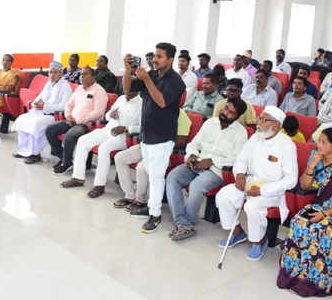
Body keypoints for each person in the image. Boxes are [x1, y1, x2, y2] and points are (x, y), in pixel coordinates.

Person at [277, 127, 332, 297]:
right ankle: (294, 273)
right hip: (321, 205)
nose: (319, 145)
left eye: (324, 142)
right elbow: (304, 185)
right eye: (319, 141)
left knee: (320, 229)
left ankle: (317, 281)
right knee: (299, 220)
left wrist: (325, 214)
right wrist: (311, 166)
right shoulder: (316, 158)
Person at [216, 107, 298, 261]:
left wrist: (262, 191)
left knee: (252, 206)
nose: (258, 123)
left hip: (272, 190)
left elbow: (291, 179)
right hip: (249, 182)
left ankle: (259, 242)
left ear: (276, 125)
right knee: (223, 196)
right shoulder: (256, 137)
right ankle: (237, 233)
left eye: (263, 120)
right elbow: (241, 159)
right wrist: (240, 175)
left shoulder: (287, 145)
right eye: (259, 118)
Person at [123, 43, 186, 233]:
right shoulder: (151, 74)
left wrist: (146, 80)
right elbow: (128, 89)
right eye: (155, 56)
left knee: (157, 177)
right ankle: (151, 206)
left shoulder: (176, 81)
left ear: (170, 60)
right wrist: (127, 71)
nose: (155, 59)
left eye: (160, 56)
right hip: (147, 133)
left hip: (163, 136)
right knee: (151, 174)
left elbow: (162, 102)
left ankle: (155, 215)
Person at [166, 98, 248, 241]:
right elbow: (194, 143)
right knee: (172, 178)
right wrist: (192, 155)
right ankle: (183, 223)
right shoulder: (210, 123)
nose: (225, 113)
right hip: (196, 163)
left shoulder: (241, 133)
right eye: (225, 108)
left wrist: (211, 161)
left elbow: (236, 159)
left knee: (196, 185)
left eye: (231, 112)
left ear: (237, 117)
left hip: (216, 171)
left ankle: (185, 223)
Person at [61, 90, 141, 197]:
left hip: (123, 137)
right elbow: (107, 116)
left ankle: (99, 185)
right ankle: (78, 178)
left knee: (104, 148)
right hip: (107, 130)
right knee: (83, 140)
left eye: (129, 87)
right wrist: (110, 114)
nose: (125, 89)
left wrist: (126, 128)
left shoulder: (141, 103)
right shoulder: (121, 98)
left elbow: (143, 127)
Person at [113, 110, 191, 212]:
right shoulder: (154, 112)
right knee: (120, 157)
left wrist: (158, 142)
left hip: (166, 152)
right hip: (146, 145)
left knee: (142, 167)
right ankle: (130, 195)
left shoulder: (180, 115)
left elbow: (182, 141)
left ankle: (141, 200)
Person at [45, 66, 107, 175]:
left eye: (85, 74)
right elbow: (69, 105)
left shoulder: (99, 91)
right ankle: (64, 159)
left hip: (87, 125)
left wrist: (77, 121)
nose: (82, 77)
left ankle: (66, 164)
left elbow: (98, 112)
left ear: (93, 76)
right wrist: (68, 115)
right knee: (49, 130)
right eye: (81, 74)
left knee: (69, 136)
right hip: (72, 121)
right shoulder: (79, 89)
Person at [11, 61, 72, 164]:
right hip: (40, 112)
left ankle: (35, 154)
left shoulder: (65, 87)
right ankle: (24, 151)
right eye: (50, 72)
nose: (52, 75)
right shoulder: (49, 83)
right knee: (22, 119)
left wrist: (45, 106)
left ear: (61, 74)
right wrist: (36, 103)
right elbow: (41, 96)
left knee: (36, 124)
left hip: (54, 116)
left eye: (55, 72)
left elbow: (64, 106)